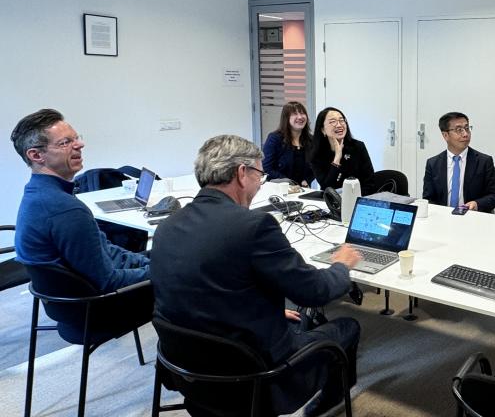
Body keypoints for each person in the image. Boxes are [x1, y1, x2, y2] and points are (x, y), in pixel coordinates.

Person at [150, 134, 362, 416]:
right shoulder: (254, 226)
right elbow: (315, 291)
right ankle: (328, 403)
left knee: (303, 319)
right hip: (253, 376)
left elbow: (200, 289)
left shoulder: (167, 227)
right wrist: (341, 266)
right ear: (242, 173)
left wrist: (263, 308)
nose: (260, 184)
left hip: (189, 370)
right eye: (259, 176)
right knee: (347, 326)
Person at [11, 108, 150, 292]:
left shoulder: (37, 192)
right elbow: (108, 282)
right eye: (65, 142)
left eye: (76, 138)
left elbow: (103, 249)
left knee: (164, 258)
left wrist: (148, 263)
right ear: (36, 155)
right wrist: (162, 271)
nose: (80, 145)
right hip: (99, 303)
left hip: (69, 299)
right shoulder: (65, 209)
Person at [422, 111, 495, 213]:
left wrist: (477, 204)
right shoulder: (433, 164)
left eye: (467, 128)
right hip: (443, 216)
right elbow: (428, 199)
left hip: (473, 217)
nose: (465, 134)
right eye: (459, 130)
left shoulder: (484, 162)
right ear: (445, 135)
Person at [310, 107, 376, 194]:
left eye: (341, 120)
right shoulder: (316, 154)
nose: (339, 125)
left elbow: (370, 183)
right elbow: (327, 187)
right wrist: (337, 158)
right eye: (333, 121)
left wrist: (353, 197)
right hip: (332, 200)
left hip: (359, 197)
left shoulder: (358, 147)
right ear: (323, 130)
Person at [262, 101, 315, 186]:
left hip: (303, 190)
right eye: (295, 114)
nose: (300, 117)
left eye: (302, 113)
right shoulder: (275, 138)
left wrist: (307, 180)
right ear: (286, 118)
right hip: (279, 188)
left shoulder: (311, 140)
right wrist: (288, 182)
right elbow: (266, 168)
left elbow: (316, 165)